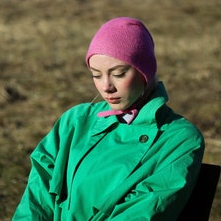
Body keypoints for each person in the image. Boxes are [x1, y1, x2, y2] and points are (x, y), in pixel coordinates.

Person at [12, 17, 205, 221]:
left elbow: (144, 213)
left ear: (145, 72)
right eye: (96, 75)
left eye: (119, 74)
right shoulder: (76, 121)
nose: (106, 87)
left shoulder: (180, 139)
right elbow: (37, 197)